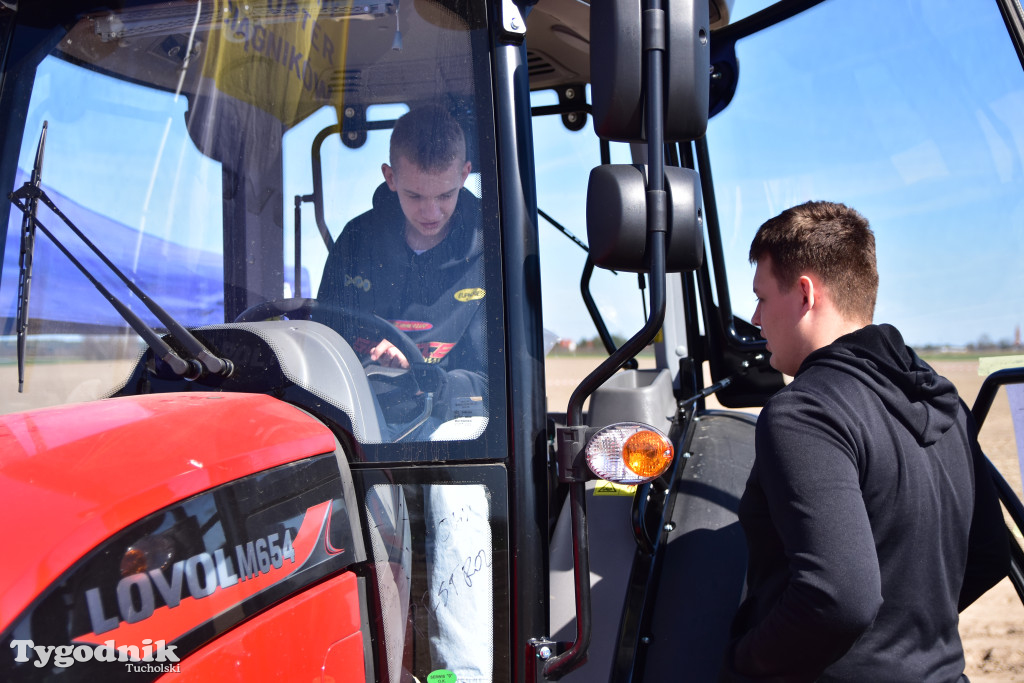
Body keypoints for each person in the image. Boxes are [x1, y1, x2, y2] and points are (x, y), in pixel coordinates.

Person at [723, 201, 1009, 682]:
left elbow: (839, 599)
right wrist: (901, 640)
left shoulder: (805, 413)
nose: (754, 318)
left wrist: (745, 660)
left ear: (805, 294)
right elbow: (988, 556)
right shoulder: (944, 400)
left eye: (762, 296)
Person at [316, 105, 487, 437]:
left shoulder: (490, 250)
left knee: (452, 465)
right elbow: (325, 339)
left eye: (445, 194)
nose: (431, 212)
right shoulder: (356, 241)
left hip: (451, 419)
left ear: (465, 175)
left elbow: (495, 379)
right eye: (415, 195)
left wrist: (425, 375)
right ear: (390, 178)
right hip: (362, 412)